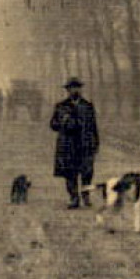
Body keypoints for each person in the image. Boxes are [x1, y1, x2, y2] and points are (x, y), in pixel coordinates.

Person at [49, 77, 100, 209]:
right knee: (70, 173)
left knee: (87, 172)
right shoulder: (61, 106)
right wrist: (62, 122)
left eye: (77, 87)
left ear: (80, 89)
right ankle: (73, 198)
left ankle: (85, 196)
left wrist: (95, 143)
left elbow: (93, 126)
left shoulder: (87, 106)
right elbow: (53, 125)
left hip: (85, 143)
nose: (74, 90)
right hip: (68, 144)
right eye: (71, 88)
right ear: (67, 90)